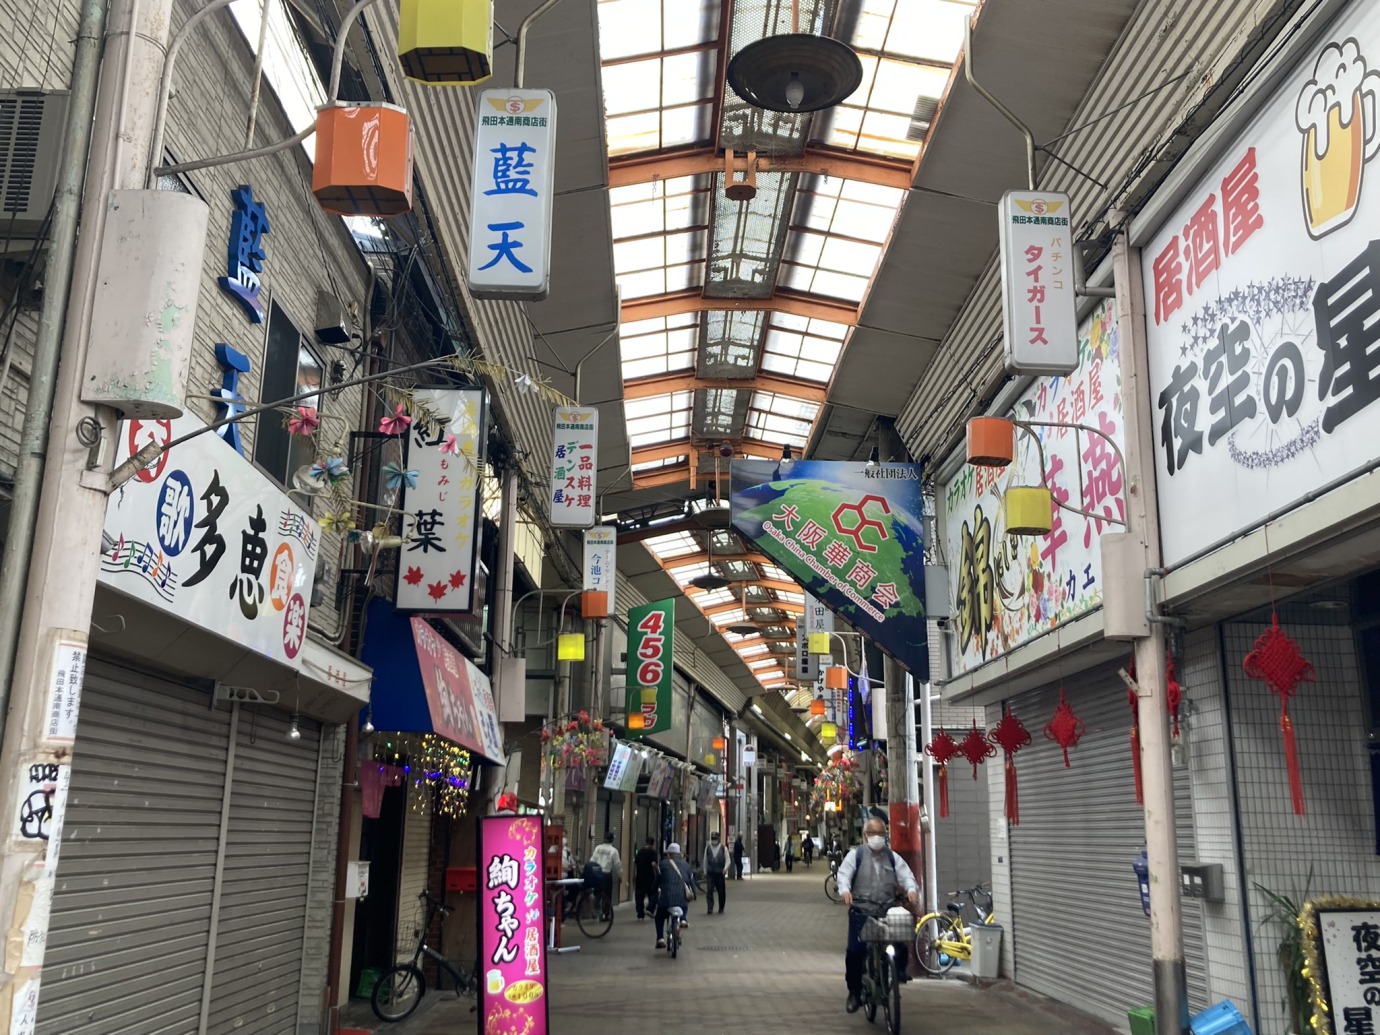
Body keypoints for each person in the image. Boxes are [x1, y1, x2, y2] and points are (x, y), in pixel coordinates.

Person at [837, 815, 920, 1014]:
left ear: (886, 835)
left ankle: (898, 970)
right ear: (865, 836)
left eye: (880, 833)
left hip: (886, 909)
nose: (876, 837)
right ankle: (854, 992)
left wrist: (911, 890)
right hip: (861, 911)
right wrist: (845, 891)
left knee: (900, 937)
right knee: (856, 952)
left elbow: (906, 875)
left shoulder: (892, 857)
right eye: (872, 833)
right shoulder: (855, 855)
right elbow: (844, 874)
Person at [654, 842, 695, 949]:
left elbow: (657, 880)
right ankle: (683, 919)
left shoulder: (662, 864)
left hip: (665, 899)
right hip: (681, 898)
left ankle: (660, 938)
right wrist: (694, 894)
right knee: (684, 904)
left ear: (669, 854)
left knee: (659, 917)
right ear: (679, 854)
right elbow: (691, 881)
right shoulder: (686, 865)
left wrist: (652, 891)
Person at [587, 831, 623, 918]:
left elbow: (592, 860)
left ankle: (595, 910)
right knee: (607, 895)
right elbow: (617, 865)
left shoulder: (598, 848)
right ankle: (605, 914)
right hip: (606, 874)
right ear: (612, 840)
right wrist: (620, 876)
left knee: (597, 893)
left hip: (597, 873)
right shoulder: (614, 851)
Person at [633, 837, 658, 921]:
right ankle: (650, 909)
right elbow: (654, 864)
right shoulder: (653, 852)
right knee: (653, 894)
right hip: (650, 877)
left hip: (640, 877)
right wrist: (657, 872)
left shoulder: (640, 852)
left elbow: (635, 864)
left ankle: (640, 914)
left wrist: (635, 874)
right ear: (653, 843)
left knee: (639, 896)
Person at [703, 831, 728, 913]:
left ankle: (721, 907)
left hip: (720, 873)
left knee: (721, 891)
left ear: (719, 839)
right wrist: (705, 871)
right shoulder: (708, 848)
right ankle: (710, 908)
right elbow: (705, 860)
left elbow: (728, 860)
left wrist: (725, 868)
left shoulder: (723, 848)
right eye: (713, 839)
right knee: (709, 890)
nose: (714, 841)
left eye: (715, 839)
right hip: (710, 873)